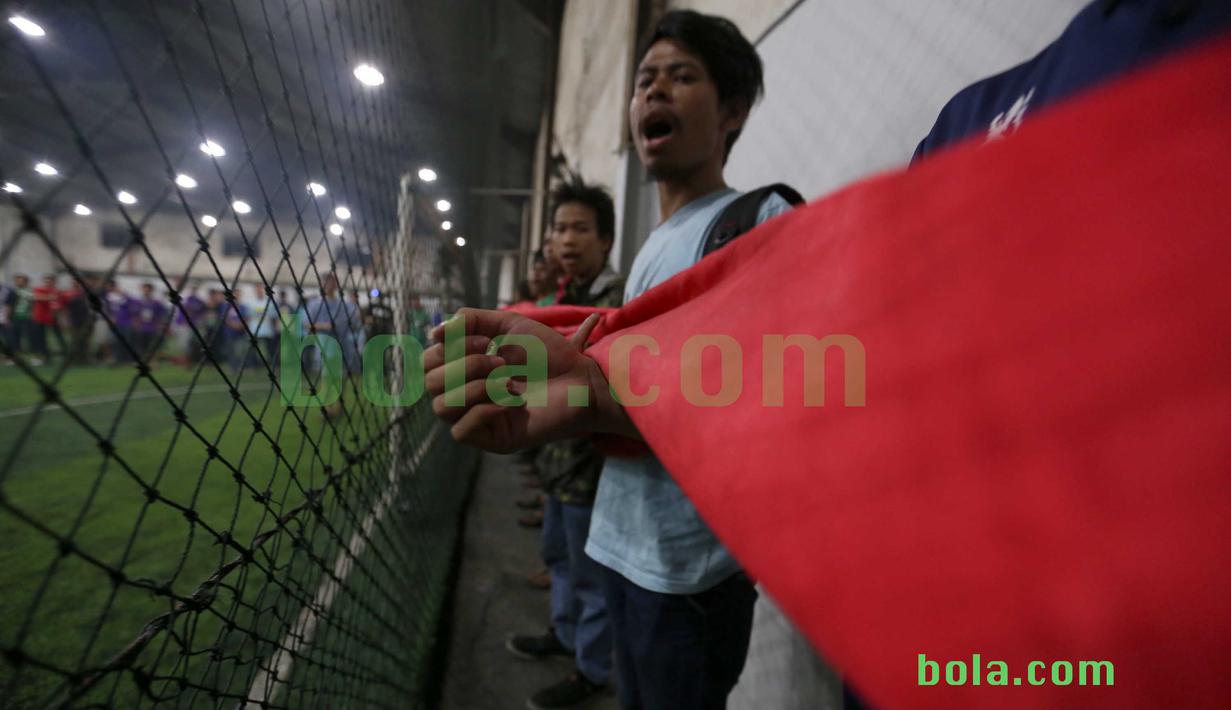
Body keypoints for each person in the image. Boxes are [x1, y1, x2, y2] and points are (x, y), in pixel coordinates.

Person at [424, 11, 793, 709]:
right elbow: (643, 397)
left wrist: (593, 397)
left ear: (733, 111)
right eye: (644, 79)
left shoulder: (760, 221)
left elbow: (772, 400)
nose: (653, 91)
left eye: (681, 76)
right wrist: (582, 403)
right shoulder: (652, 247)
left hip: (689, 569)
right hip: (619, 539)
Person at [505, 179, 624, 709]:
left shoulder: (615, 302)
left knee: (591, 577)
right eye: (559, 229)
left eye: (580, 229)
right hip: (557, 466)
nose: (567, 239)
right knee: (557, 557)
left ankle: (592, 669)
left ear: (606, 239)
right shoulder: (562, 299)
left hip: (590, 470)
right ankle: (565, 633)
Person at [130, 282, 169, 362]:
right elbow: (134, 314)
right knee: (140, 346)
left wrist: (160, 324)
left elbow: (162, 314)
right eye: (145, 289)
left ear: (151, 291)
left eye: (148, 290)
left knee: (152, 346)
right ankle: (141, 361)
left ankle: (153, 361)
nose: (146, 291)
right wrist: (135, 324)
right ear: (142, 290)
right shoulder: (137, 302)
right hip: (141, 327)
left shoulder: (156, 303)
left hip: (152, 328)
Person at [4, 274, 36, 364]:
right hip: (15, 318)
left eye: (20, 281)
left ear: (26, 282)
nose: (17, 283)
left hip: (28, 318)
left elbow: (34, 304)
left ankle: (34, 356)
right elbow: (8, 306)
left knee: (30, 338)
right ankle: (16, 357)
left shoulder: (30, 291)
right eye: (17, 281)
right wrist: (7, 318)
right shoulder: (13, 292)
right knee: (14, 339)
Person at [31, 274, 64, 361]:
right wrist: (50, 297)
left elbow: (59, 306)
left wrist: (60, 317)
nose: (48, 283)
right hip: (40, 318)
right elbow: (36, 297)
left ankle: (65, 353)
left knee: (59, 336)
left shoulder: (58, 291)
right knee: (41, 338)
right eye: (46, 281)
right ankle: (45, 356)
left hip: (53, 318)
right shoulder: (40, 289)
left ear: (54, 282)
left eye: (50, 281)